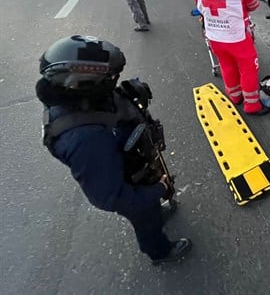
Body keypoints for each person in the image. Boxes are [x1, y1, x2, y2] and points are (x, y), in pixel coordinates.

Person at [36, 35, 192, 264]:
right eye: (110, 78)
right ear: (83, 81)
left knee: (150, 211)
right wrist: (159, 189)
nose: (113, 81)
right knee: (145, 219)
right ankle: (159, 252)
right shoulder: (85, 140)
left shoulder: (77, 96)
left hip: (130, 160)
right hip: (129, 183)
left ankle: (154, 213)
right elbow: (111, 197)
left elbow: (112, 108)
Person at [193, 0, 270, 115]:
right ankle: (251, 105)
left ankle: (235, 96)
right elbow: (253, 5)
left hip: (214, 35)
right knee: (249, 68)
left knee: (226, 66)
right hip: (237, 37)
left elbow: (200, 7)